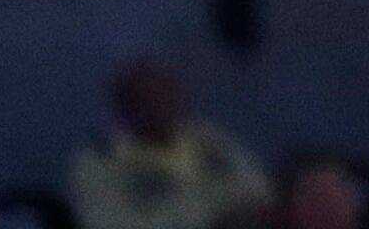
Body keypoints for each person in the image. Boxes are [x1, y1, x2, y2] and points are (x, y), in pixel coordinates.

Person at [67, 56, 267, 229]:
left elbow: (259, 189)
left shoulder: (208, 140)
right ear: (125, 107)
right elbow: (105, 223)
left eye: (164, 94)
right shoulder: (99, 162)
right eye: (145, 98)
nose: (159, 105)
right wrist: (204, 222)